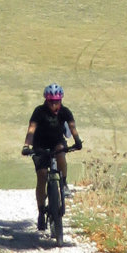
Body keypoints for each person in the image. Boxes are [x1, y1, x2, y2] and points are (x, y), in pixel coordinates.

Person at [22, 83, 82, 231]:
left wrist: (77, 140)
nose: (54, 104)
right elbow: (31, 129)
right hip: (40, 145)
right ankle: (41, 212)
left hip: (57, 143)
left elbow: (72, 127)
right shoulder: (39, 112)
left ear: (61, 100)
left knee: (61, 152)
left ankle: (64, 182)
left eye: (57, 101)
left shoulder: (65, 112)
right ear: (46, 100)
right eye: (51, 101)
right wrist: (26, 146)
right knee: (42, 176)